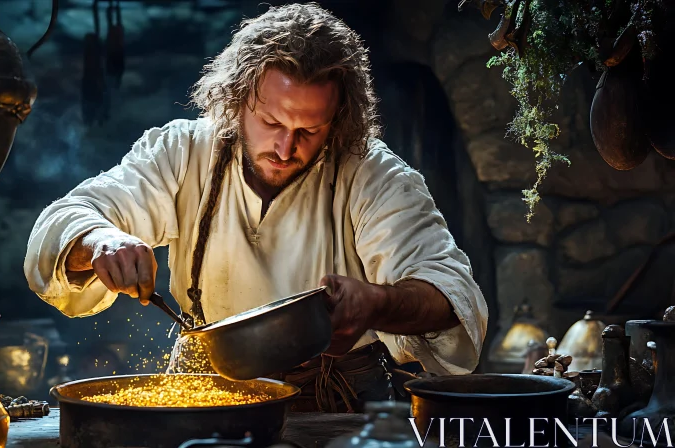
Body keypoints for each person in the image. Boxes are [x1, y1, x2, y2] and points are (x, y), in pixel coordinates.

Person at [25, 2, 488, 412]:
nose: (286, 147)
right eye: (271, 122)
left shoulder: (373, 174)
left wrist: (379, 303)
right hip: (205, 397)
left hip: (339, 406)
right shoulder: (182, 154)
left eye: (309, 130)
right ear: (236, 98)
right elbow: (72, 215)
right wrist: (102, 240)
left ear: (339, 120)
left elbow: (451, 293)